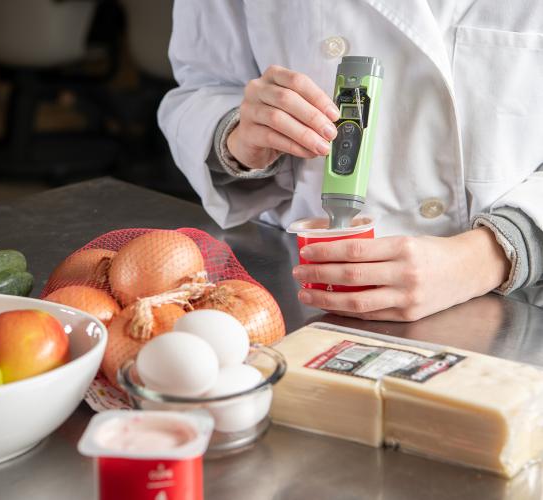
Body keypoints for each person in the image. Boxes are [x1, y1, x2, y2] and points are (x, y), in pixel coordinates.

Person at [158, 1, 543, 322]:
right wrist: (239, 135)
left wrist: (487, 257)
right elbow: (202, 85)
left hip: (507, 305)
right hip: (301, 290)